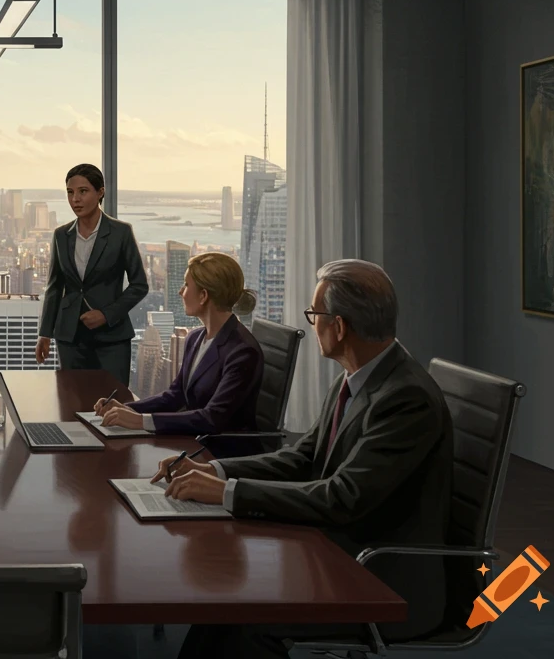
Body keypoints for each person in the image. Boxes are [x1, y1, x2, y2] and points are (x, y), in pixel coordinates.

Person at [160, 260, 456, 658]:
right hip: (336, 550)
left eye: (314, 315)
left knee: (243, 617)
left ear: (339, 326)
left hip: (382, 578)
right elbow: (303, 457)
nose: (313, 324)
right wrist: (214, 469)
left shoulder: (405, 398)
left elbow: (342, 497)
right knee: (226, 602)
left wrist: (227, 493)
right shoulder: (359, 376)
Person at [92, 252, 263, 437]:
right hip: (192, 440)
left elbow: (212, 418)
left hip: (221, 449)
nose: (181, 292)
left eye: (186, 285)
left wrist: (140, 421)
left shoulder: (242, 352)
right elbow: (176, 395)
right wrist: (127, 409)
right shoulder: (195, 338)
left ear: (203, 295)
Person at [34, 164, 148, 383]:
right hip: (70, 339)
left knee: (113, 399)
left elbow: (139, 285)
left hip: (112, 338)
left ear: (100, 192)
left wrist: (106, 314)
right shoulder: (61, 235)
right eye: (70, 192)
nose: (75, 199)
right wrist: (45, 333)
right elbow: (55, 287)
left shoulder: (121, 233)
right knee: (72, 399)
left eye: (83, 191)